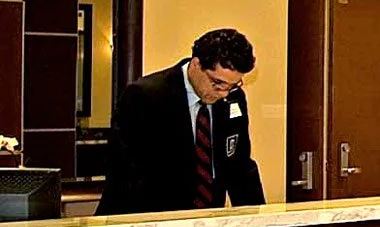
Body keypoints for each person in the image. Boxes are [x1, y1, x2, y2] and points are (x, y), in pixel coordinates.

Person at [97, 28, 266, 216]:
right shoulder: (145, 96)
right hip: (151, 219)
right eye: (217, 83)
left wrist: (257, 223)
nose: (223, 93)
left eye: (233, 85)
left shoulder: (233, 98)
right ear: (196, 64)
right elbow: (126, 172)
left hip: (207, 221)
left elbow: (238, 163)